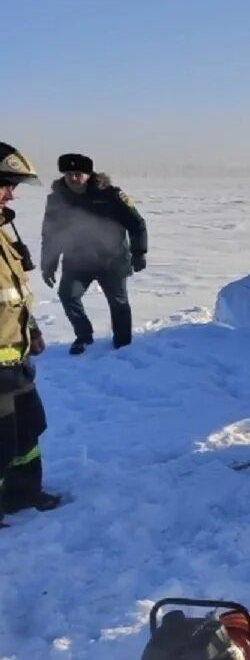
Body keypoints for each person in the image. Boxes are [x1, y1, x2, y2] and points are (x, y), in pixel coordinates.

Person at [0, 143, 61, 523]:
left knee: (27, 432)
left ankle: (23, 494)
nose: (11, 192)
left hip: (13, 359)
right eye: (4, 184)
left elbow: (14, 295)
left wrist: (33, 329)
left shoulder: (2, 232)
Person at [39, 153, 148, 354]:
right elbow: (51, 233)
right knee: (67, 295)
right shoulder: (57, 200)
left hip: (111, 260)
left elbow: (137, 223)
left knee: (118, 302)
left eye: (78, 174)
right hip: (77, 260)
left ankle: (122, 343)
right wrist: (49, 264)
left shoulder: (111, 195)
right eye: (68, 174)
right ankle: (83, 335)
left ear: (89, 174)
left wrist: (139, 252)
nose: (73, 178)